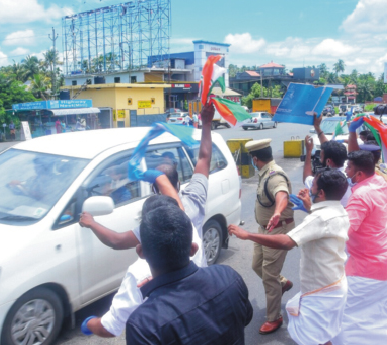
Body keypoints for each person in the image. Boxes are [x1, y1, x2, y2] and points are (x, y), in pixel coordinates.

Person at [80, 103, 216, 338]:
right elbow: (204, 158)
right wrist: (206, 124)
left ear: (142, 250)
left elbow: (115, 240)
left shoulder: (151, 234)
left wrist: (91, 222)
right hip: (198, 295)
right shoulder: (192, 208)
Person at [229, 170, 350, 345]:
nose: (309, 189)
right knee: (322, 337)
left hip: (322, 292)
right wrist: (310, 207)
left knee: (314, 338)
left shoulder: (319, 217)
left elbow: (287, 242)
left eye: (313, 186)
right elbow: (323, 225)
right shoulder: (338, 209)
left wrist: (247, 235)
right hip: (332, 285)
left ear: (321, 193)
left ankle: (274, 315)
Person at [125, 198, 253, 345]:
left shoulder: (143, 324)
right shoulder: (228, 277)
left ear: (141, 252)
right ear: (193, 249)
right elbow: (246, 317)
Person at [330, 150, 387, 345]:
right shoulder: (379, 182)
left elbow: (341, 231)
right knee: (385, 311)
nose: (346, 171)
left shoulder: (361, 196)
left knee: (344, 314)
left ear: (360, 174)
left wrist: (314, 211)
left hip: (368, 270)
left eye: (349, 168)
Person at [246, 138, 295, 335]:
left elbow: (281, 194)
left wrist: (277, 211)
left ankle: (274, 317)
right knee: (256, 265)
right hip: (264, 229)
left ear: (256, 158)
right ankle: (283, 283)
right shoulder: (264, 172)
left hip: (277, 230)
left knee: (268, 275)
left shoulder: (274, 176)